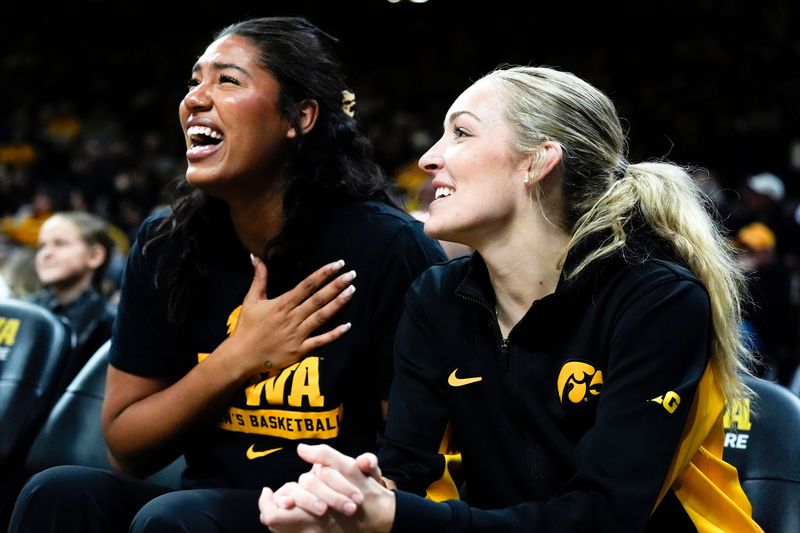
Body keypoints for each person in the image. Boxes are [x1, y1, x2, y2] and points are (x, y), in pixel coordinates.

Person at [258, 65, 764, 532]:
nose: (429, 158)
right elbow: (407, 475)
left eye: (461, 133)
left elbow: (604, 517)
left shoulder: (657, 300)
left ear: (537, 161)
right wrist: (343, 506)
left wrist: (396, 516)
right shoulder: (435, 298)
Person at [9, 16, 445, 533]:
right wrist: (239, 358)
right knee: (58, 493)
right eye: (195, 81)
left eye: (228, 80)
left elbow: (407, 466)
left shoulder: (388, 248)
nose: (194, 98)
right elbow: (127, 448)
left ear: (300, 116)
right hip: (200, 507)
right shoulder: (166, 244)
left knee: (176, 517)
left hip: (329, 516)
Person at [26, 211, 117, 361]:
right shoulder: (26, 308)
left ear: (95, 256)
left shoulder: (111, 323)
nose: (46, 254)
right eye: (41, 246)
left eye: (60, 243)